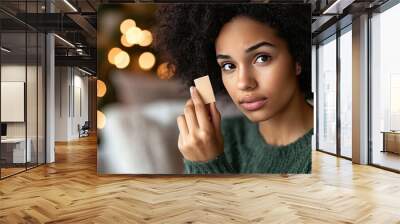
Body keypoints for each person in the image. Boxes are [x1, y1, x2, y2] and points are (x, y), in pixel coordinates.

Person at [154, 4, 313, 174]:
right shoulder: (219, 138)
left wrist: (208, 165)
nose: (243, 83)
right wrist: (203, 159)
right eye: (228, 66)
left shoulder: (333, 149)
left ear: (297, 59)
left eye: (262, 58)